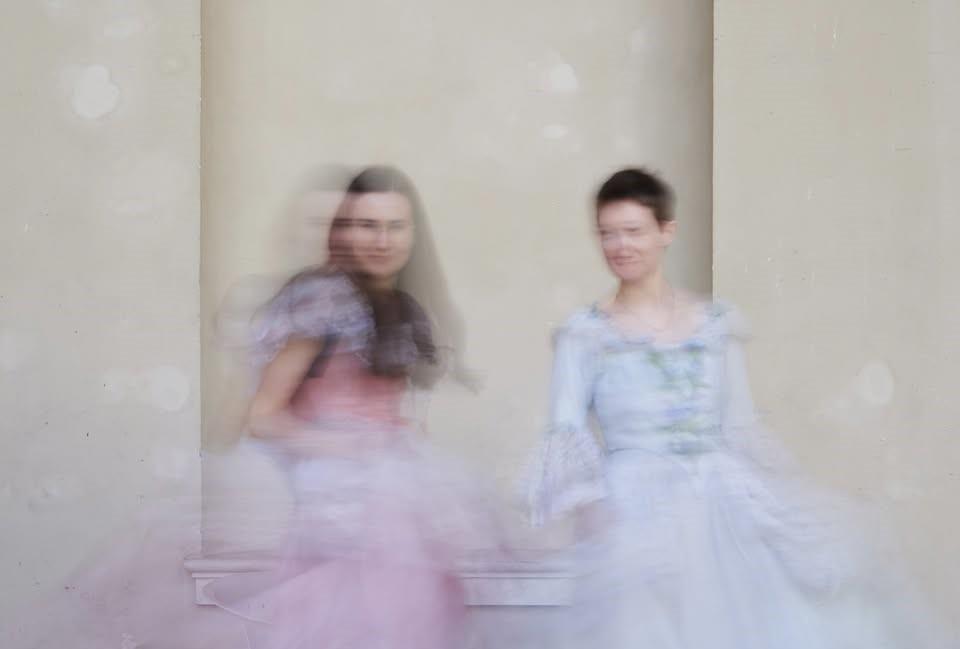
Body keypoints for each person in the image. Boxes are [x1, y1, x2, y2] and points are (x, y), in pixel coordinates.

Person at [526, 167, 946, 649]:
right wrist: (604, 530)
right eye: (607, 233)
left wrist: (787, 503)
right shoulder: (584, 334)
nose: (620, 245)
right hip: (634, 512)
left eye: (633, 231)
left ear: (666, 231)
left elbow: (741, 427)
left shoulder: (714, 324)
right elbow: (566, 434)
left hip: (719, 506)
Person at [205, 165, 496, 649]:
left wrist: (404, 445)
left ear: (412, 235)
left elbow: (391, 409)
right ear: (343, 230)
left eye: (395, 227)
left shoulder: (403, 308)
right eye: (367, 225)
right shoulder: (320, 301)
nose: (382, 241)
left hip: (397, 500)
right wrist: (344, 445)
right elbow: (262, 417)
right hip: (338, 504)